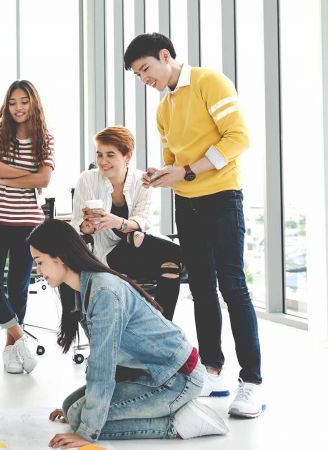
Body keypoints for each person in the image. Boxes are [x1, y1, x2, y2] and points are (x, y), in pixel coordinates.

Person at [124, 32, 264, 417]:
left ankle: (251, 382)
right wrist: (162, 173)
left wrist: (186, 171)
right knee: (201, 287)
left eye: (145, 69)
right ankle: (212, 370)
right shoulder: (164, 109)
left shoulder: (209, 82)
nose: (144, 79)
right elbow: (175, 159)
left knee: (232, 286)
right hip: (188, 204)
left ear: (165, 56)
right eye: (138, 75)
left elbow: (238, 138)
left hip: (222, 199)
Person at [27, 219, 229, 448]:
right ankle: (161, 409)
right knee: (70, 406)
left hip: (177, 379)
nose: (38, 271)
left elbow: (103, 365)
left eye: (39, 262)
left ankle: (178, 424)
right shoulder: (82, 287)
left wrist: (85, 432)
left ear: (59, 257)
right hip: (147, 373)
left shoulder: (103, 292)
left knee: (79, 418)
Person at [0, 80, 55, 374]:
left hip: (26, 221)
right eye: (12, 102)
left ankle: (9, 350)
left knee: (18, 287)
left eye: (24, 101)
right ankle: (20, 339)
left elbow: (44, 180)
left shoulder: (45, 139)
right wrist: (28, 174)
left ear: (33, 103)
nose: (18, 107)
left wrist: (8, 179)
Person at [71, 126, 182, 320]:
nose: (103, 162)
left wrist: (117, 222)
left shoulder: (142, 181)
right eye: (99, 155)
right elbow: (77, 225)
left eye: (110, 155)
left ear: (127, 155)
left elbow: (140, 220)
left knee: (168, 263)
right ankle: (164, 329)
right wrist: (85, 228)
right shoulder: (87, 180)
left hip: (138, 253)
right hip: (108, 256)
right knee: (141, 239)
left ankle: (163, 327)